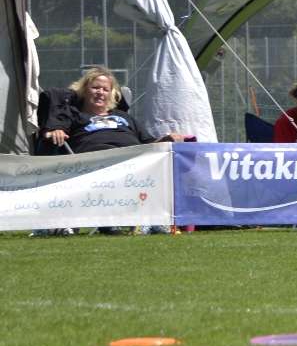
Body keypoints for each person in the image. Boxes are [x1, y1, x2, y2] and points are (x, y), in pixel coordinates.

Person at [42, 67, 189, 235]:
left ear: (111, 94)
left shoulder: (124, 117)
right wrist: (56, 129)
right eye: (95, 87)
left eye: (105, 89)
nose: (100, 92)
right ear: (85, 90)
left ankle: (157, 219)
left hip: (134, 162)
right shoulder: (74, 115)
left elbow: (148, 142)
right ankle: (114, 220)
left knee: (167, 160)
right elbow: (55, 128)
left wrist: (167, 139)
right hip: (93, 163)